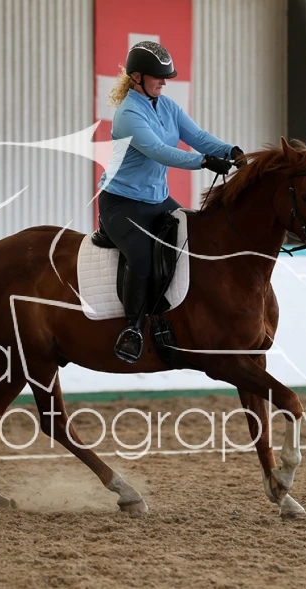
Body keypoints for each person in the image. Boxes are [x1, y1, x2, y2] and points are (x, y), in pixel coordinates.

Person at [97, 40, 244, 364]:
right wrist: (203, 162)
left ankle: (175, 316)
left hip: (157, 199)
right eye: (158, 76)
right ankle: (133, 330)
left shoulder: (167, 106)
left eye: (166, 77)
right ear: (137, 77)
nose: (164, 82)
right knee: (141, 258)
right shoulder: (128, 114)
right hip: (121, 204)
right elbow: (159, 151)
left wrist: (230, 151)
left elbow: (198, 137)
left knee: (197, 239)